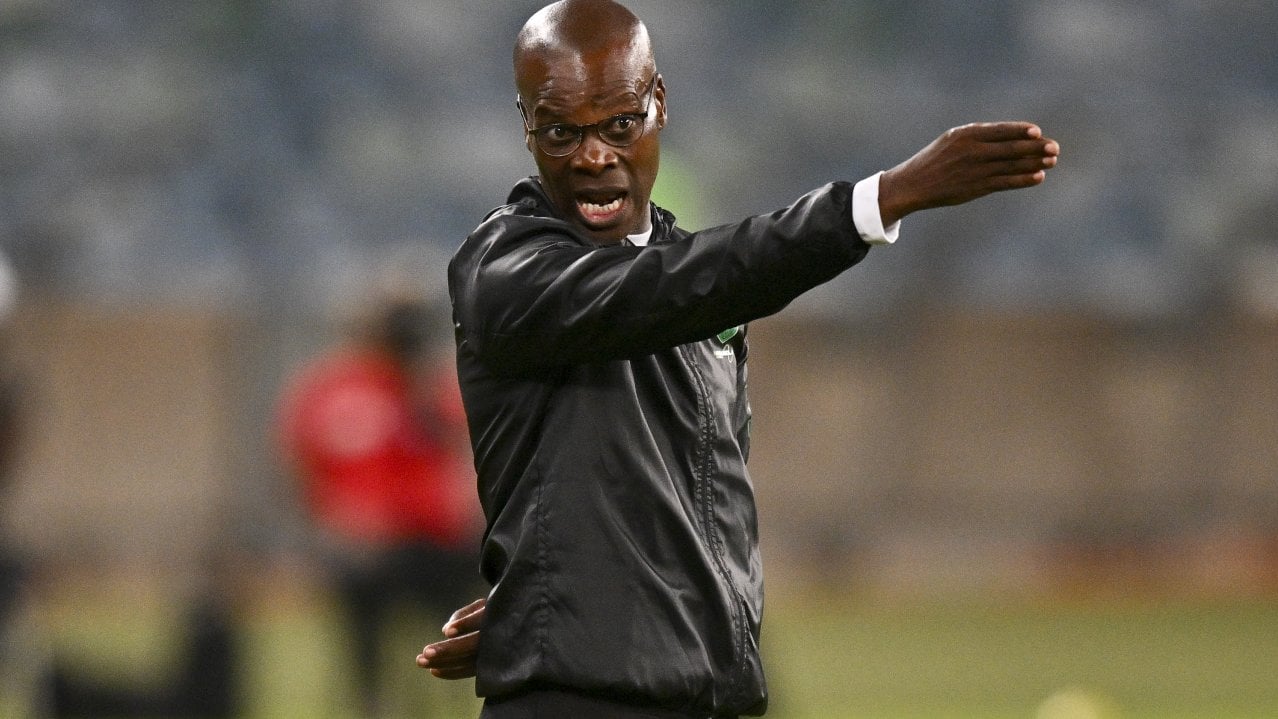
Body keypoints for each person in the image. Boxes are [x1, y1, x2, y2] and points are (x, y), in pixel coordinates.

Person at [417, 1, 1060, 717]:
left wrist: (554, 605)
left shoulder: (693, 288)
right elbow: (668, 289)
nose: (593, 155)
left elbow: (692, 497)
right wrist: (877, 201)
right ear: (527, 127)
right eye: (562, 132)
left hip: (703, 696)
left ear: (659, 103)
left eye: (619, 125)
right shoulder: (506, 270)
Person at [276, 294, 482, 716]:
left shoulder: (430, 389)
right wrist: (331, 522)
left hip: (432, 541)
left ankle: (469, 689)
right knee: (363, 583)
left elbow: (463, 456)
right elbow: (300, 464)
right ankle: (372, 700)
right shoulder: (332, 388)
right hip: (364, 548)